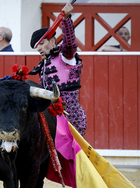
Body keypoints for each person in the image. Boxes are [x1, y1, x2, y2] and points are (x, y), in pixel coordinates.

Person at [29, 1, 87, 137]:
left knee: (73, 156)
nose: (39, 49)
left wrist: (66, 19)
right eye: (37, 48)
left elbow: (70, 42)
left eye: (42, 44)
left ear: (53, 42)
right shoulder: (43, 65)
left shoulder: (66, 56)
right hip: (51, 118)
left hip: (71, 117)